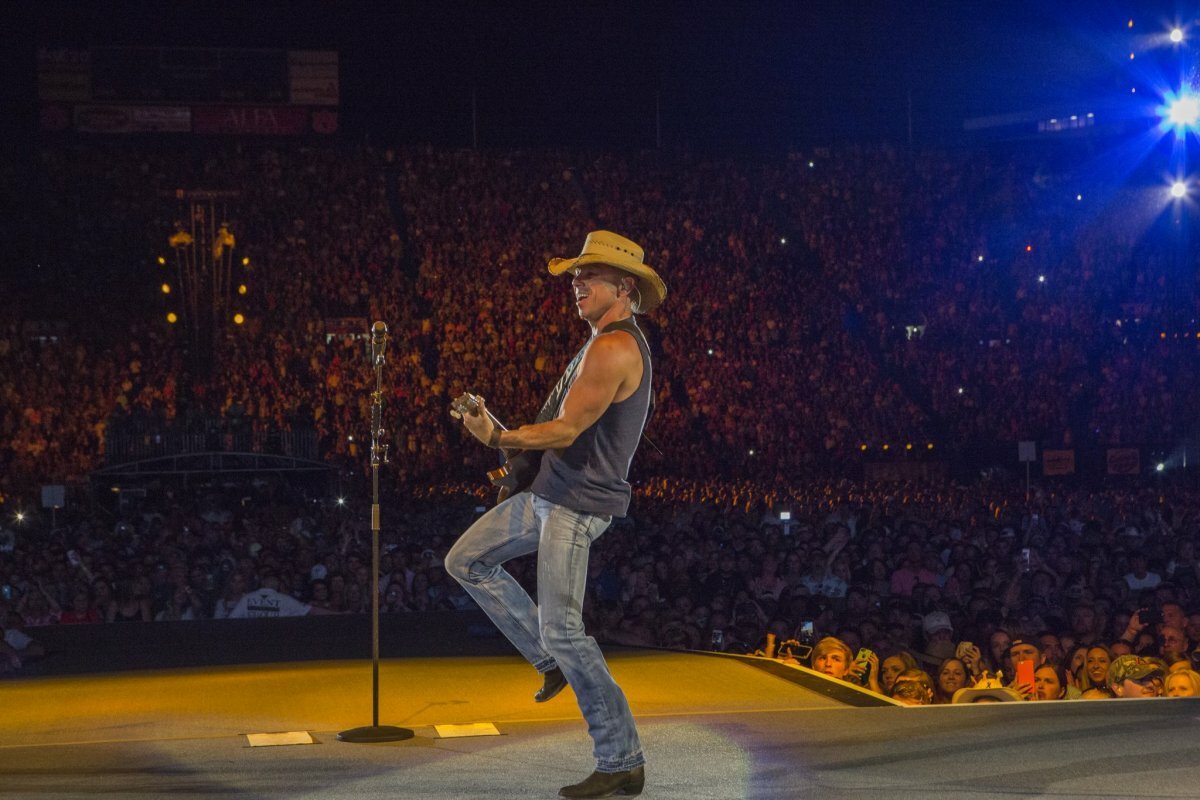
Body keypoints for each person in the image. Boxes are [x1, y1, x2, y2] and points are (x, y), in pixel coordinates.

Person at [446, 231, 665, 799]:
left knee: (565, 630)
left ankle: (622, 760)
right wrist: (500, 433)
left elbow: (566, 430)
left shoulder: (615, 348)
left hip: (576, 503)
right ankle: (548, 660)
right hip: (549, 493)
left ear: (624, 286)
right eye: (574, 275)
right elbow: (560, 432)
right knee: (466, 561)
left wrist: (497, 436)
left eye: (588, 275)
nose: (576, 283)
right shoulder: (595, 344)